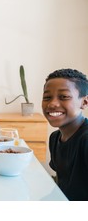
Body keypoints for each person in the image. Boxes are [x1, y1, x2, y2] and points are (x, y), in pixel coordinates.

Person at [42, 68, 88, 201]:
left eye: (64, 97)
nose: (52, 104)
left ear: (84, 102)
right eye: (47, 97)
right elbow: (63, 186)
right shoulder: (55, 138)